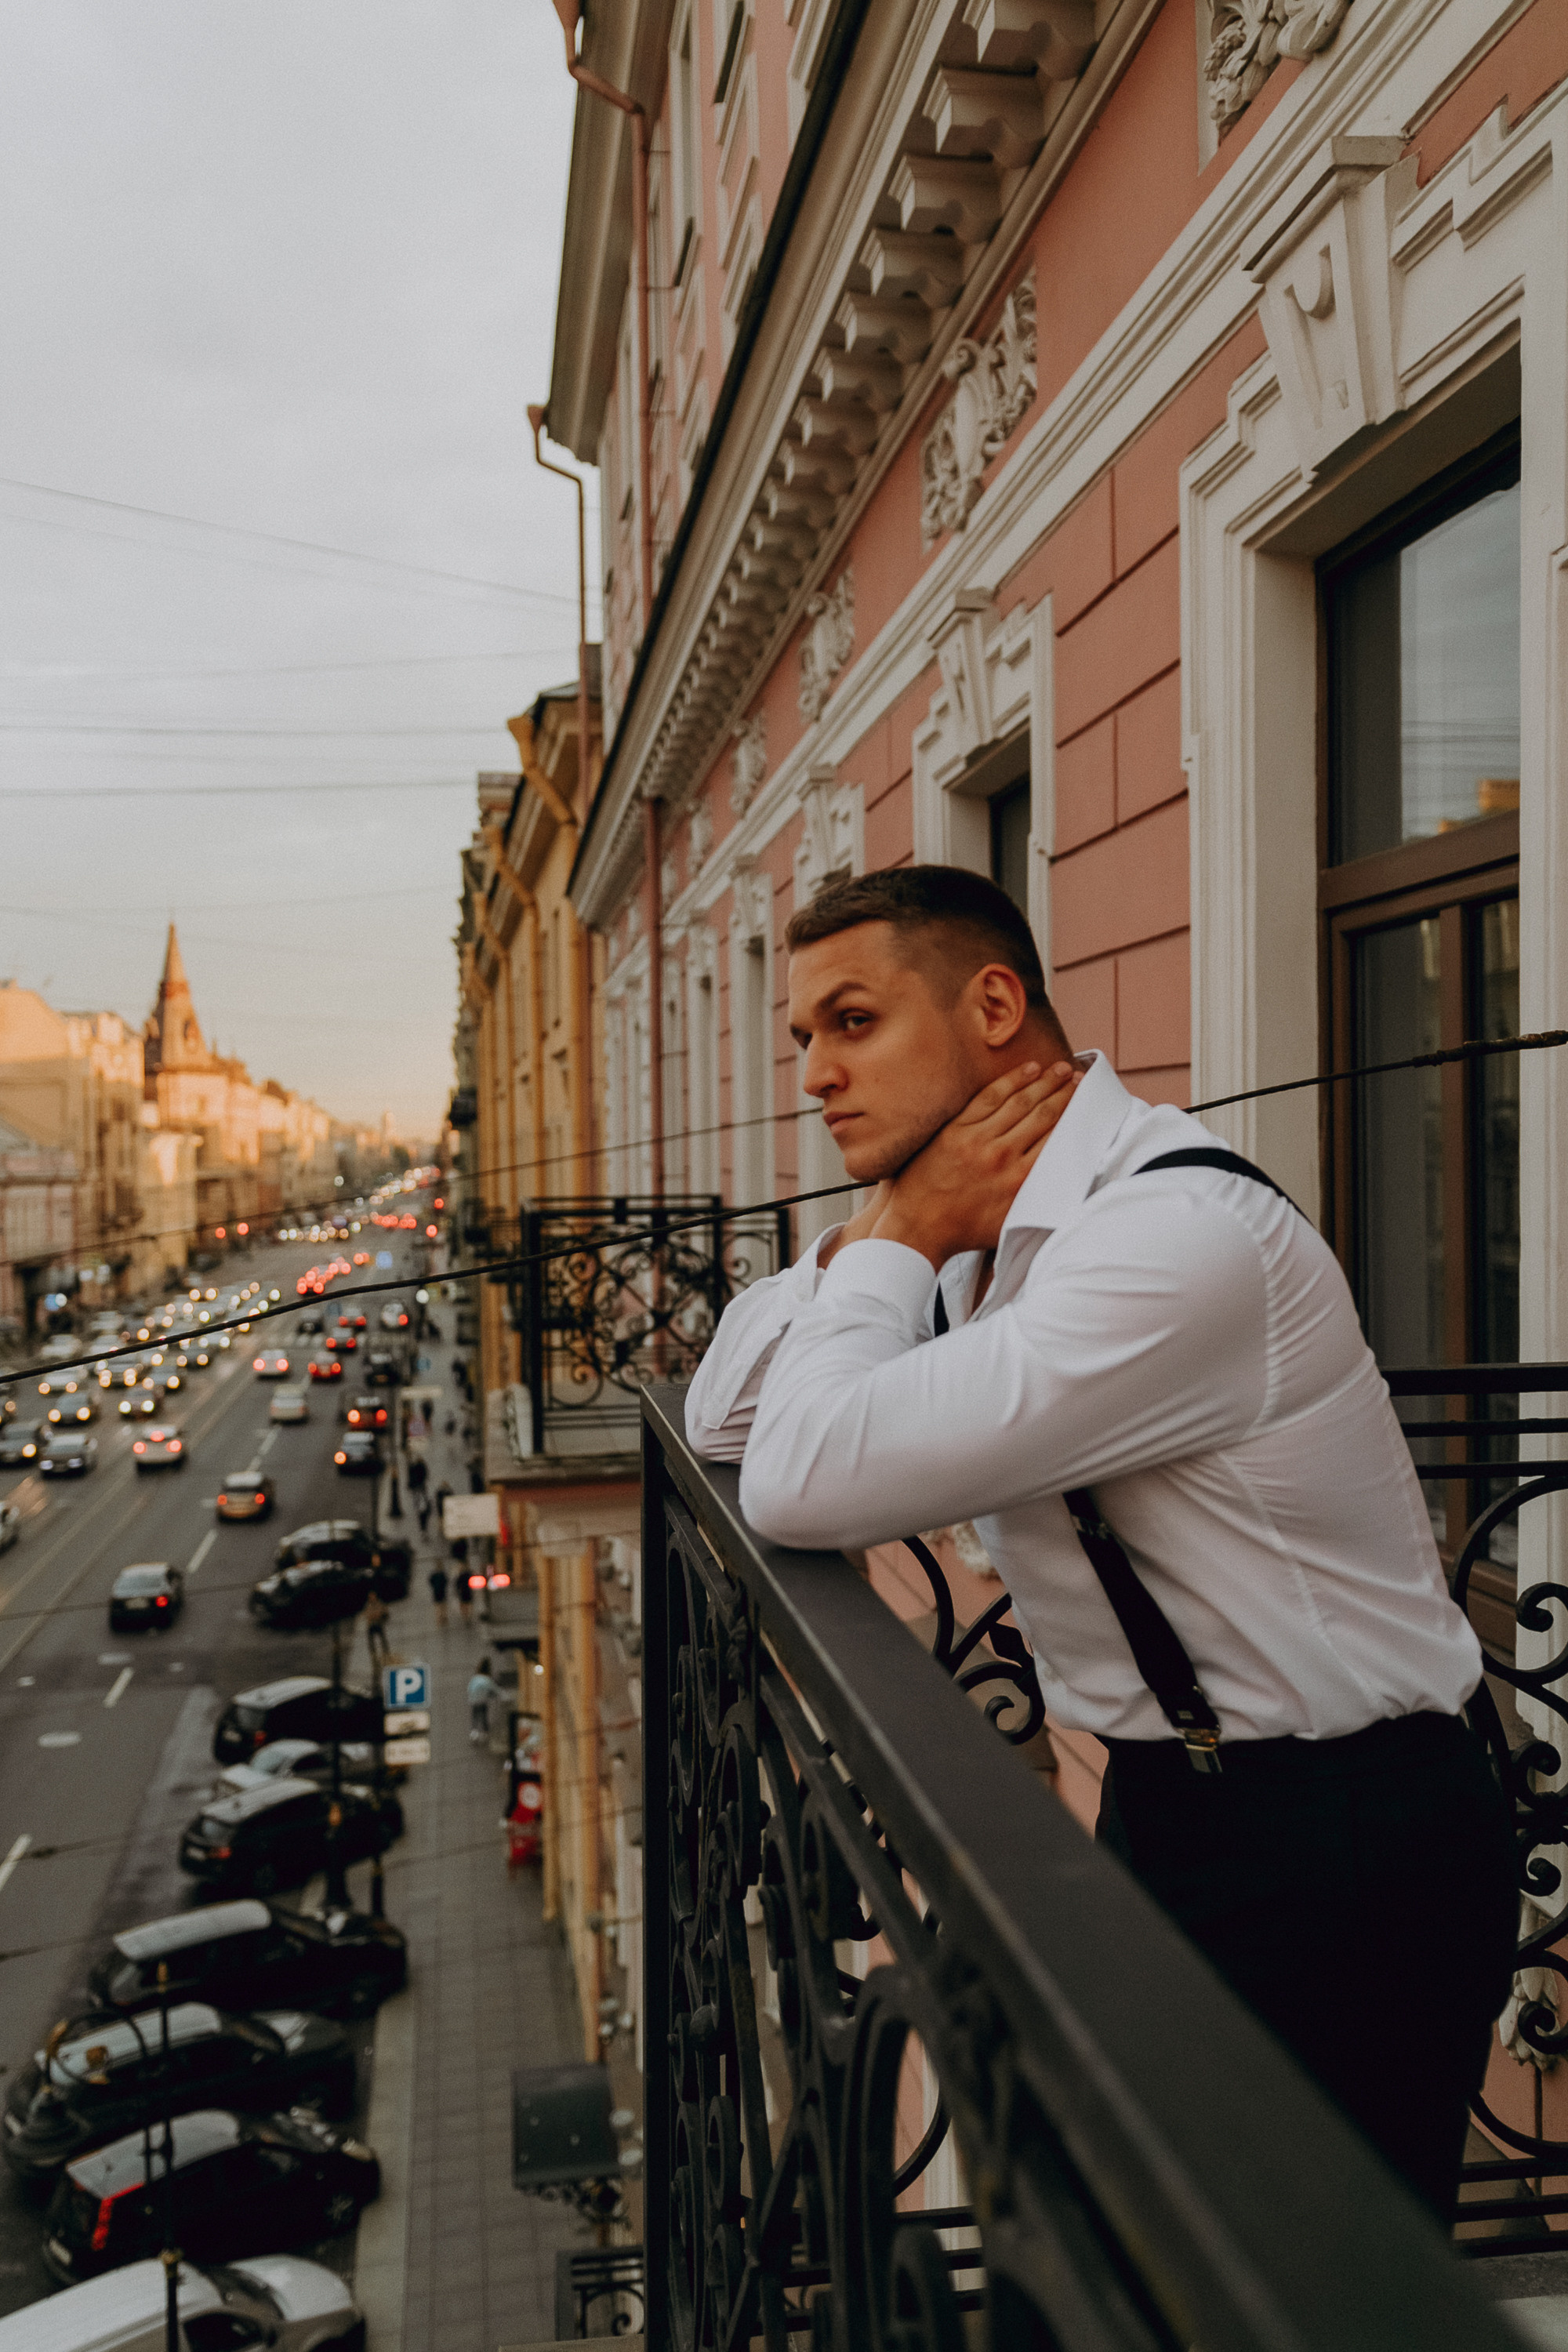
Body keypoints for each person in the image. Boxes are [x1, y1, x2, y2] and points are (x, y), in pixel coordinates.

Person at [685, 862, 1515, 2222]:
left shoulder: (1173, 1240)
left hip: (1350, 1837)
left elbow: (797, 1476)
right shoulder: (982, 1230)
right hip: (1170, 1800)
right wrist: (889, 1234)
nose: (817, 1075)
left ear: (993, 1007)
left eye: (854, 1022)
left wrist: (902, 1233)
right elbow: (723, 1413)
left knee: (1311, 2273)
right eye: (804, 1037)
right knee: (1116, 2248)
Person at [468, 1655, 503, 1744]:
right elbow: (495, 1690)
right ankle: (484, 1732)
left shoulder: (475, 1678)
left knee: (475, 1716)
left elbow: (469, 1688)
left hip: (473, 1700)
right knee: (483, 1716)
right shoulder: (487, 1680)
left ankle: (474, 1732)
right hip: (482, 1700)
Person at [362, 1588, 390, 1675]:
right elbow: (368, 1615)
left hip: (378, 1624)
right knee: (371, 1641)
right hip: (371, 1625)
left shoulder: (380, 1603)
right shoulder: (368, 1605)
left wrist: (377, 1615)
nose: (372, 1597)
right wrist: (375, 1615)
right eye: (370, 1596)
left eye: (373, 1596)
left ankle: (386, 1652)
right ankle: (373, 1653)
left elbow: (384, 1612)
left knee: (383, 1639)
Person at [427, 1562, 448, 1630]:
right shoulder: (443, 1574)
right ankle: (443, 1617)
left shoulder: (434, 1575)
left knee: (438, 1606)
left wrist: (435, 1587)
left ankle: (439, 1619)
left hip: (436, 1592)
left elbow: (431, 1581)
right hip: (442, 1592)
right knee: (442, 1605)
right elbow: (446, 1582)